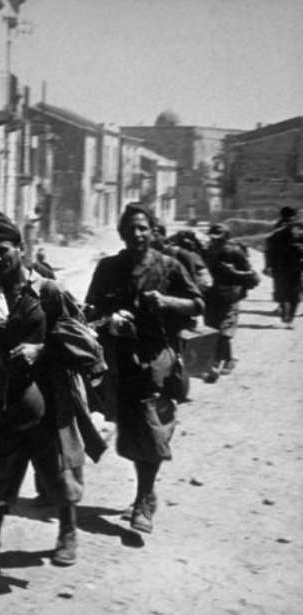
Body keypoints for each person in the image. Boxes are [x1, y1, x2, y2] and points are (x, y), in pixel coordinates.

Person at [0, 211, 105, 594]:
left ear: (20, 249)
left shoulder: (49, 292)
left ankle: (67, 530)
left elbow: (86, 343)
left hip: (48, 398)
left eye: (3, 251)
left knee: (57, 472)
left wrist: (41, 349)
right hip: (5, 397)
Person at [84, 203, 203, 535]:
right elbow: (90, 309)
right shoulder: (108, 267)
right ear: (122, 234)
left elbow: (197, 303)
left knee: (151, 426)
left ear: (152, 231)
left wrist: (166, 302)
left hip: (158, 359)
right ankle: (147, 492)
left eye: (142, 228)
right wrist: (111, 318)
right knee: (132, 430)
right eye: (130, 229)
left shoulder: (170, 266)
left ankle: (142, 500)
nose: (137, 234)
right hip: (120, 361)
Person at [202, 222, 257, 381]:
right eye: (212, 239)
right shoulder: (205, 253)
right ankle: (225, 359)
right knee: (213, 331)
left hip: (229, 298)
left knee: (224, 332)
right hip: (211, 298)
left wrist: (235, 273)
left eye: (219, 239)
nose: (215, 242)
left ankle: (220, 362)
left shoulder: (235, 252)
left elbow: (253, 278)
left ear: (227, 238)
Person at [264, 209, 303, 328]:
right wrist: (267, 266)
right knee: (281, 292)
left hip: (295, 269)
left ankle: (289, 318)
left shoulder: (301, 235)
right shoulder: (276, 235)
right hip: (280, 268)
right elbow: (268, 252)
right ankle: (284, 311)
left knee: (295, 295)